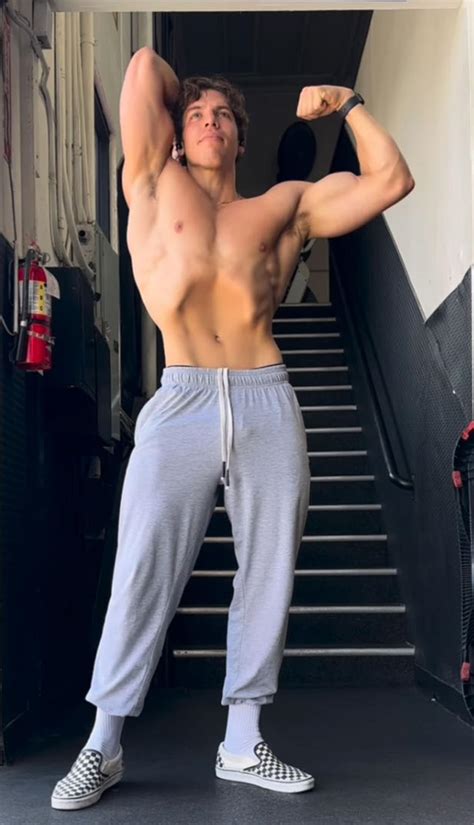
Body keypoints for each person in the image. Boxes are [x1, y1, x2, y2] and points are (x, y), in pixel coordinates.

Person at [51, 46, 415, 811]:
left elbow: (390, 181)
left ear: (242, 139)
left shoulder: (283, 205)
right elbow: (143, 66)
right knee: (142, 566)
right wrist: (187, 91)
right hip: (180, 397)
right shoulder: (152, 183)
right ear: (176, 134)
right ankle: (102, 745)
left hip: (265, 396)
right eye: (197, 114)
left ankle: (243, 741)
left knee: (268, 570)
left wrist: (348, 103)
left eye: (224, 115)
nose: (211, 121)